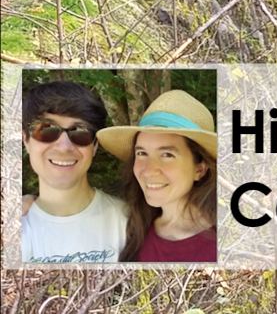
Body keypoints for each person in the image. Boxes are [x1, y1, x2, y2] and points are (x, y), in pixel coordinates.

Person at [97, 90, 217, 263]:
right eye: (142, 153)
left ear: (200, 169)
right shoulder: (131, 229)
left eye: (167, 155)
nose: (148, 170)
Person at [20, 81, 128, 262]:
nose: (64, 147)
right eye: (47, 129)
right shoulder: (11, 230)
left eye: (80, 131)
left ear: (94, 146)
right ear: (26, 140)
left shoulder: (129, 222)